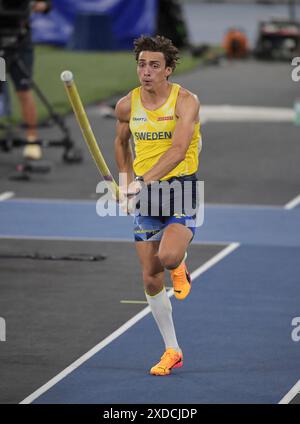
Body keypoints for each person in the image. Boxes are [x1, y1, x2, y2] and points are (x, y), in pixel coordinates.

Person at [114, 35, 202, 376]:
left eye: (154, 65)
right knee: (150, 277)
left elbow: (179, 150)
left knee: (167, 258)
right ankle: (172, 349)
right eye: (141, 64)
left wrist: (140, 181)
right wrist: (123, 180)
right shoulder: (127, 105)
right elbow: (121, 143)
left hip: (180, 187)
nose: (146, 71)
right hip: (145, 194)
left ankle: (179, 266)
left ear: (168, 69)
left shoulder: (186, 101)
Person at [5, 0, 52, 160]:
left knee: (23, 90)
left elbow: (46, 5)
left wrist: (39, 6)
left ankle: (32, 140)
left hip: (20, 47)